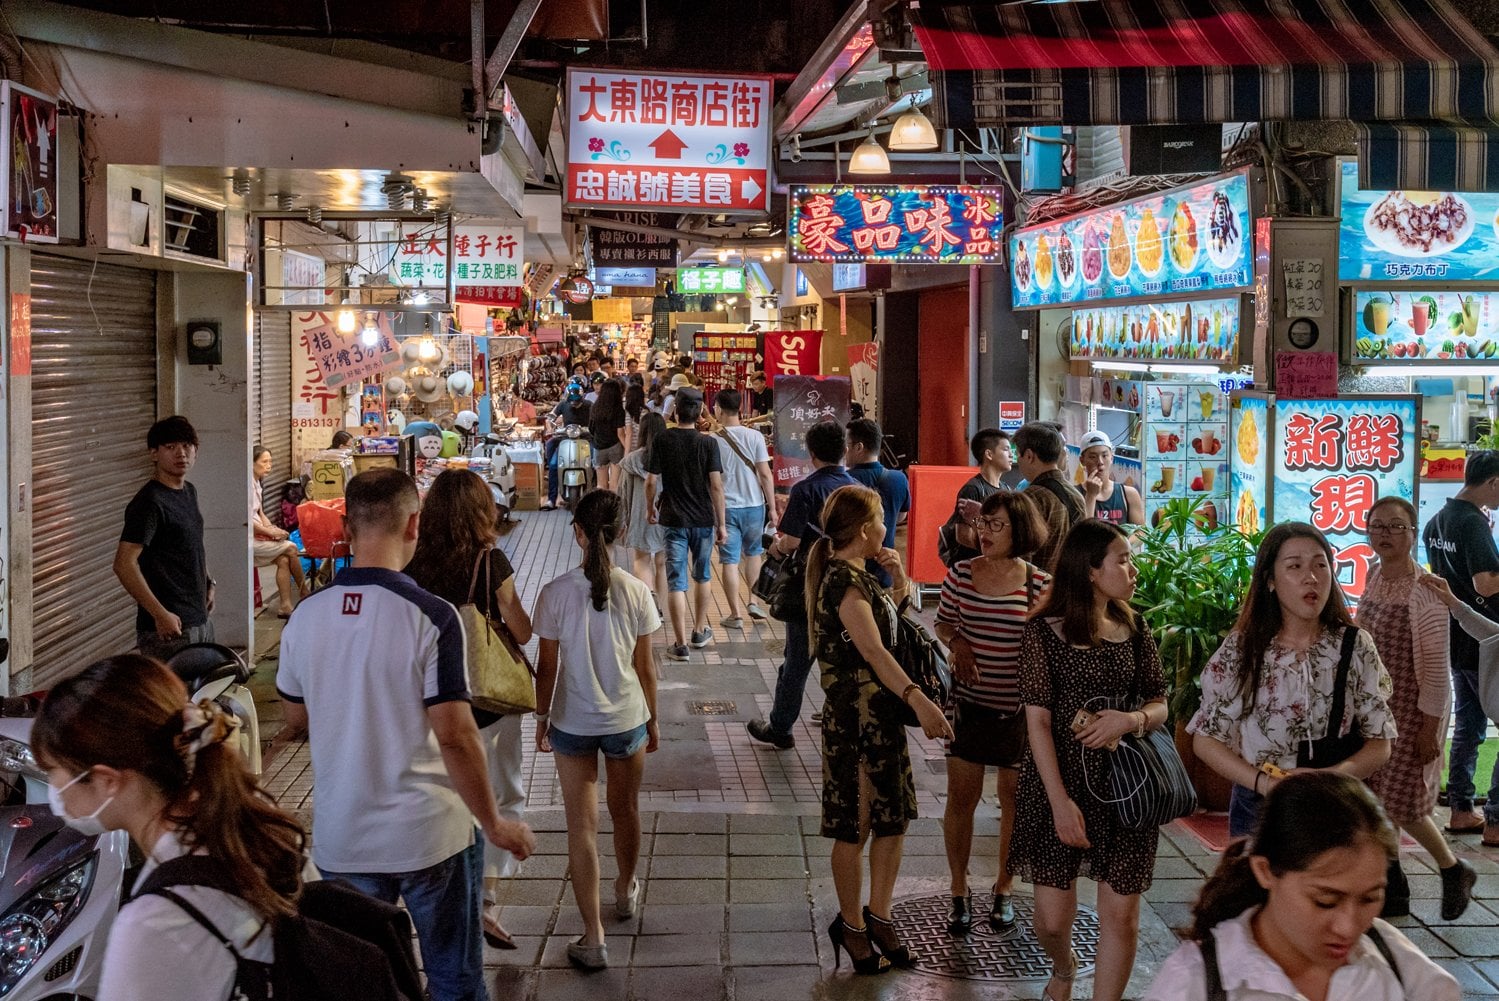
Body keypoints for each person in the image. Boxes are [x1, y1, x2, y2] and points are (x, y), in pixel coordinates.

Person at [276, 468, 535, 1001]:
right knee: (454, 982)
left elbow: (294, 719)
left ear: (344, 526)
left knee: (362, 984)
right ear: (413, 524)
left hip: (344, 839)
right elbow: (458, 736)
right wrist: (495, 823)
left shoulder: (304, 616)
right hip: (430, 837)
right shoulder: (432, 617)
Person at [33, 654, 306, 1000]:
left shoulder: (153, 924)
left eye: (53, 771)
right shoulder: (257, 826)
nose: (53, 788)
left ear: (106, 780)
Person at [1009, 519, 1168, 1001]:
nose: (1133, 569)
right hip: (1058, 785)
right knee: (1052, 920)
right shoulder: (1042, 632)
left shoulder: (1135, 627)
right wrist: (1059, 803)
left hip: (1125, 788)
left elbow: (1160, 702)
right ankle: (1064, 967)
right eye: (1122, 559)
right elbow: (1037, 722)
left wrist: (1130, 720)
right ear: (1092, 571)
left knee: (1122, 915)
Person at [1143, 772, 1461, 1001]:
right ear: (1266, 871)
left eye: (1370, 898)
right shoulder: (1199, 982)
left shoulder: (1395, 961)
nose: (1349, 927)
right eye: (1325, 900)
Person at [808, 485, 953, 975]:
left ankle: (881, 916)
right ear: (866, 530)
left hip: (882, 719)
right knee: (856, 825)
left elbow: (893, 630)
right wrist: (921, 700)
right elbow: (874, 651)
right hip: (855, 724)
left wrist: (899, 579)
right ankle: (851, 925)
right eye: (881, 520)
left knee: (893, 819)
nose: (888, 527)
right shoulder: (843, 586)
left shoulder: (864, 578)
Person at [1188, 523, 1395, 840]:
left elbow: (1380, 743)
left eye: (1320, 564)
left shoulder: (1355, 645)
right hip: (1260, 806)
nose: (1311, 577)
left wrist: (1330, 777)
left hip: (1335, 803)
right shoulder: (1244, 649)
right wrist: (1265, 783)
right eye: (1294, 566)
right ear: (1270, 580)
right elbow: (1206, 740)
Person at [404, 469, 536, 950]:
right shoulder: (490, 559)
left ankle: (444, 888)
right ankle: (484, 900)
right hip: (487, 700)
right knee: (501, 792)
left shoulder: (413, 560)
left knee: (445, 790)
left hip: (430, 698)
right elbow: (521, 632)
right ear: (484, 510)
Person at [532, 490, 661, 970]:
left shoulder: (555, 592)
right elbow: (646, 669)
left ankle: (593, 936)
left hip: (571, 721)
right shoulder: (636, 591)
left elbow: (547, 669)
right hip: (627, 718)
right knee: (625, 810)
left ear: (579, 534)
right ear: (622, 533)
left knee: (581, 827)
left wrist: (542, 720)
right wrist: (654, 718)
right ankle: (625, 891)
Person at [935, 491, 1050, 937]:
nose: (984, 532)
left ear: (1019, 530)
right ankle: (959, 890)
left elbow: (1049, 642)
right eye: (983, 524)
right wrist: (958, 642)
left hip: (1019, 712)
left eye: (995, 525)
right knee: (960, 800)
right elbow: (943, 622)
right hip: (969, 706)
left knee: (1014, 804)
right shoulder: (961, 574)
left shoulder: (1038, 583)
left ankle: (1004, 887)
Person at [1355, 497, 1476, 919]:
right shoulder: (1372, 575)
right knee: (1371, 800)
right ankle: (1392, 886)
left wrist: (1429, 729)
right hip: (1373, 711)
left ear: (1412, 534)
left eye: (1396, 527)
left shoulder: (1425, 590)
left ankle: (1451, 867)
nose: (1385, 534)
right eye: (1377, 526)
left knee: (1403, 803)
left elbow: (1436, 670)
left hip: (1412, 712)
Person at [746, 421, 858, 750]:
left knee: (798, 659)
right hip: (848, 584)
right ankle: (847, 723)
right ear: (844, 450)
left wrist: (775, 548)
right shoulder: (856, 488)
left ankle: (781, 727)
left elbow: (792, 541)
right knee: (845, 656)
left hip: (810, 585)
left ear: (811, 453)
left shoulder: (805, 489)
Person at [1421, 449, 1499, 842]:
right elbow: (1486, 583)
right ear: (1494, 482)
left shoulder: (1436, 522)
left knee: (1468, 725)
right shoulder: (1473, 524)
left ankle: (1463, 808)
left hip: (1457, 634)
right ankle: (1496, 818)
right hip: (1487, 636)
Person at [115, 415, 215, 661]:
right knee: (173, 699)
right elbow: (123, 564)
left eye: (186, 446)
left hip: (198, 617)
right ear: (154, 454)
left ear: (196, 452)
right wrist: (160, 614)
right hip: (170, 629)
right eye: (170, 447)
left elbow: (190, 545)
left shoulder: (188, 491)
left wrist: (208, 581)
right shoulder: (149, 503)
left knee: (201, 696)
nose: (181, 453)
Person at [645, 390, 727, 660]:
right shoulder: (708, 444)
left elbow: (651, 481)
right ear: (700, 411)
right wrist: (722, 524)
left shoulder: (662, 439)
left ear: (676, 410)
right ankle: (699, 630)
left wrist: (649, 509)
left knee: (676, 581)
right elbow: (716, 486)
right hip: (703, 519)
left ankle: (679, 644)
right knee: (703, 576)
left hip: (673, 519)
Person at [710, 389, 775, 628]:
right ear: (740, 408)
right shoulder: (755, 437)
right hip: (755, 506)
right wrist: (773, 509)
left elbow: (714, 482)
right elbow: (765, 475)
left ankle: (735, 614)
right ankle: (754, 601)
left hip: (727, 507)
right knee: (754, 553)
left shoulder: (713, 440)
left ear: (718, 408)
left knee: (729, 560)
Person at [845, 419, 911, 587]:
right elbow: (901, 516)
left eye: (847, 444)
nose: (844, 450)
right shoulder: (899, 479)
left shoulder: (843, 482)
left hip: (850, 568)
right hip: (884, 564)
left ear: (858, 447)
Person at [1015, 422, 1086, 574]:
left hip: (1037, 590)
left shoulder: (1031, 497)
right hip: (1067, 588)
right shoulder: (1076, 495)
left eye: (1017, 455)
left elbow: (1020, 558)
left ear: (1029, 456)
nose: (1018, 461)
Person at [941, 428, 1013, 568]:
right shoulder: (973, 489)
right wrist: (990, 550)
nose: (1011, 455)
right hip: (975, 568)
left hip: (997, 566)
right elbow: (962, 535)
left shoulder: (1007, 489)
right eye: (1005, 450)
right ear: (989, 454)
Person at [619, 412, 668, 613]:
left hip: (640, 516)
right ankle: (662, 610)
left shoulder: (631, 460)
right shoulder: (671, 457)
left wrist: (622, 521)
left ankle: (649, 605)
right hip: (667, 515)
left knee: (641, 559)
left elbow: (622, 493)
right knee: (662, 563)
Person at [252, 445, 309, 617]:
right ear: (252, 463)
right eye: (264, 462)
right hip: (249, 539)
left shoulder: (257, 482)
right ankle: (305, 592)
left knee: (284, 560)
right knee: (291, 548)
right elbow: (248, 520)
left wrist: (272, 528)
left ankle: (285, 605)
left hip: (259, 534)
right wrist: (271, 533)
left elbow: (260, 512)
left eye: (270, 461)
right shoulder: (246, 485)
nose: (269, 465)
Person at [1076, 430, 1143, 527]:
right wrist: (1090, 496)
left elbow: (1141, 533)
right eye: (1093, 457)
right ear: (1082, 460)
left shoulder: (1128, 494)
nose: (1100, 462)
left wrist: (1120, 542)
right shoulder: (1074, 495)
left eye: (1104, 456)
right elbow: (1081, 534)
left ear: (1112, 458)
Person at [543, 381, 588, 511]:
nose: (574, 404)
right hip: (565, 439)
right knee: (552, 464)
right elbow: (550, 417)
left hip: (585, 438)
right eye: (571, 401)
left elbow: (596, 419)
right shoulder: (562, 404)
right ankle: (551, 499)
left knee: (595, 462)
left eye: (577, 402)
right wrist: (550, 427)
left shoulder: (589, 406)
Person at [589, 379, 628, 493]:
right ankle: (614, 509)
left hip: (599, 447)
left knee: (601, 484)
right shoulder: (618, 409)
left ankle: (602, 508)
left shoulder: (595, 407)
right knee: (615, 484)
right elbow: (620, 432)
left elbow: (591, 428)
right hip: (615, 446)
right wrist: (627, 448)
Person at [623, 382, 648, 454]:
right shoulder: (646, 411)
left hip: (632, 447)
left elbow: (629, 433)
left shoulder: (628, 411)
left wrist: (626, 454)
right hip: (643, 446)